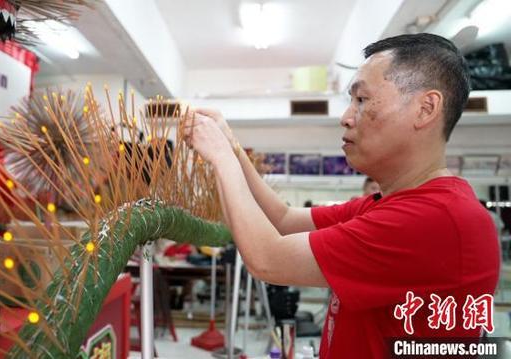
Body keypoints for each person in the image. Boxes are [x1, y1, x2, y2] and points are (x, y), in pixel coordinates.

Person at [184, 33, 499, 358]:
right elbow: (283, 219)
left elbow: (268, 259)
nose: (346, 116)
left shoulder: (436, 219)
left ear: (425, 109)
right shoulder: (392, 205)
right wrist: (232, 147)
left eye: (362, 100)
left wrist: (221, 158)